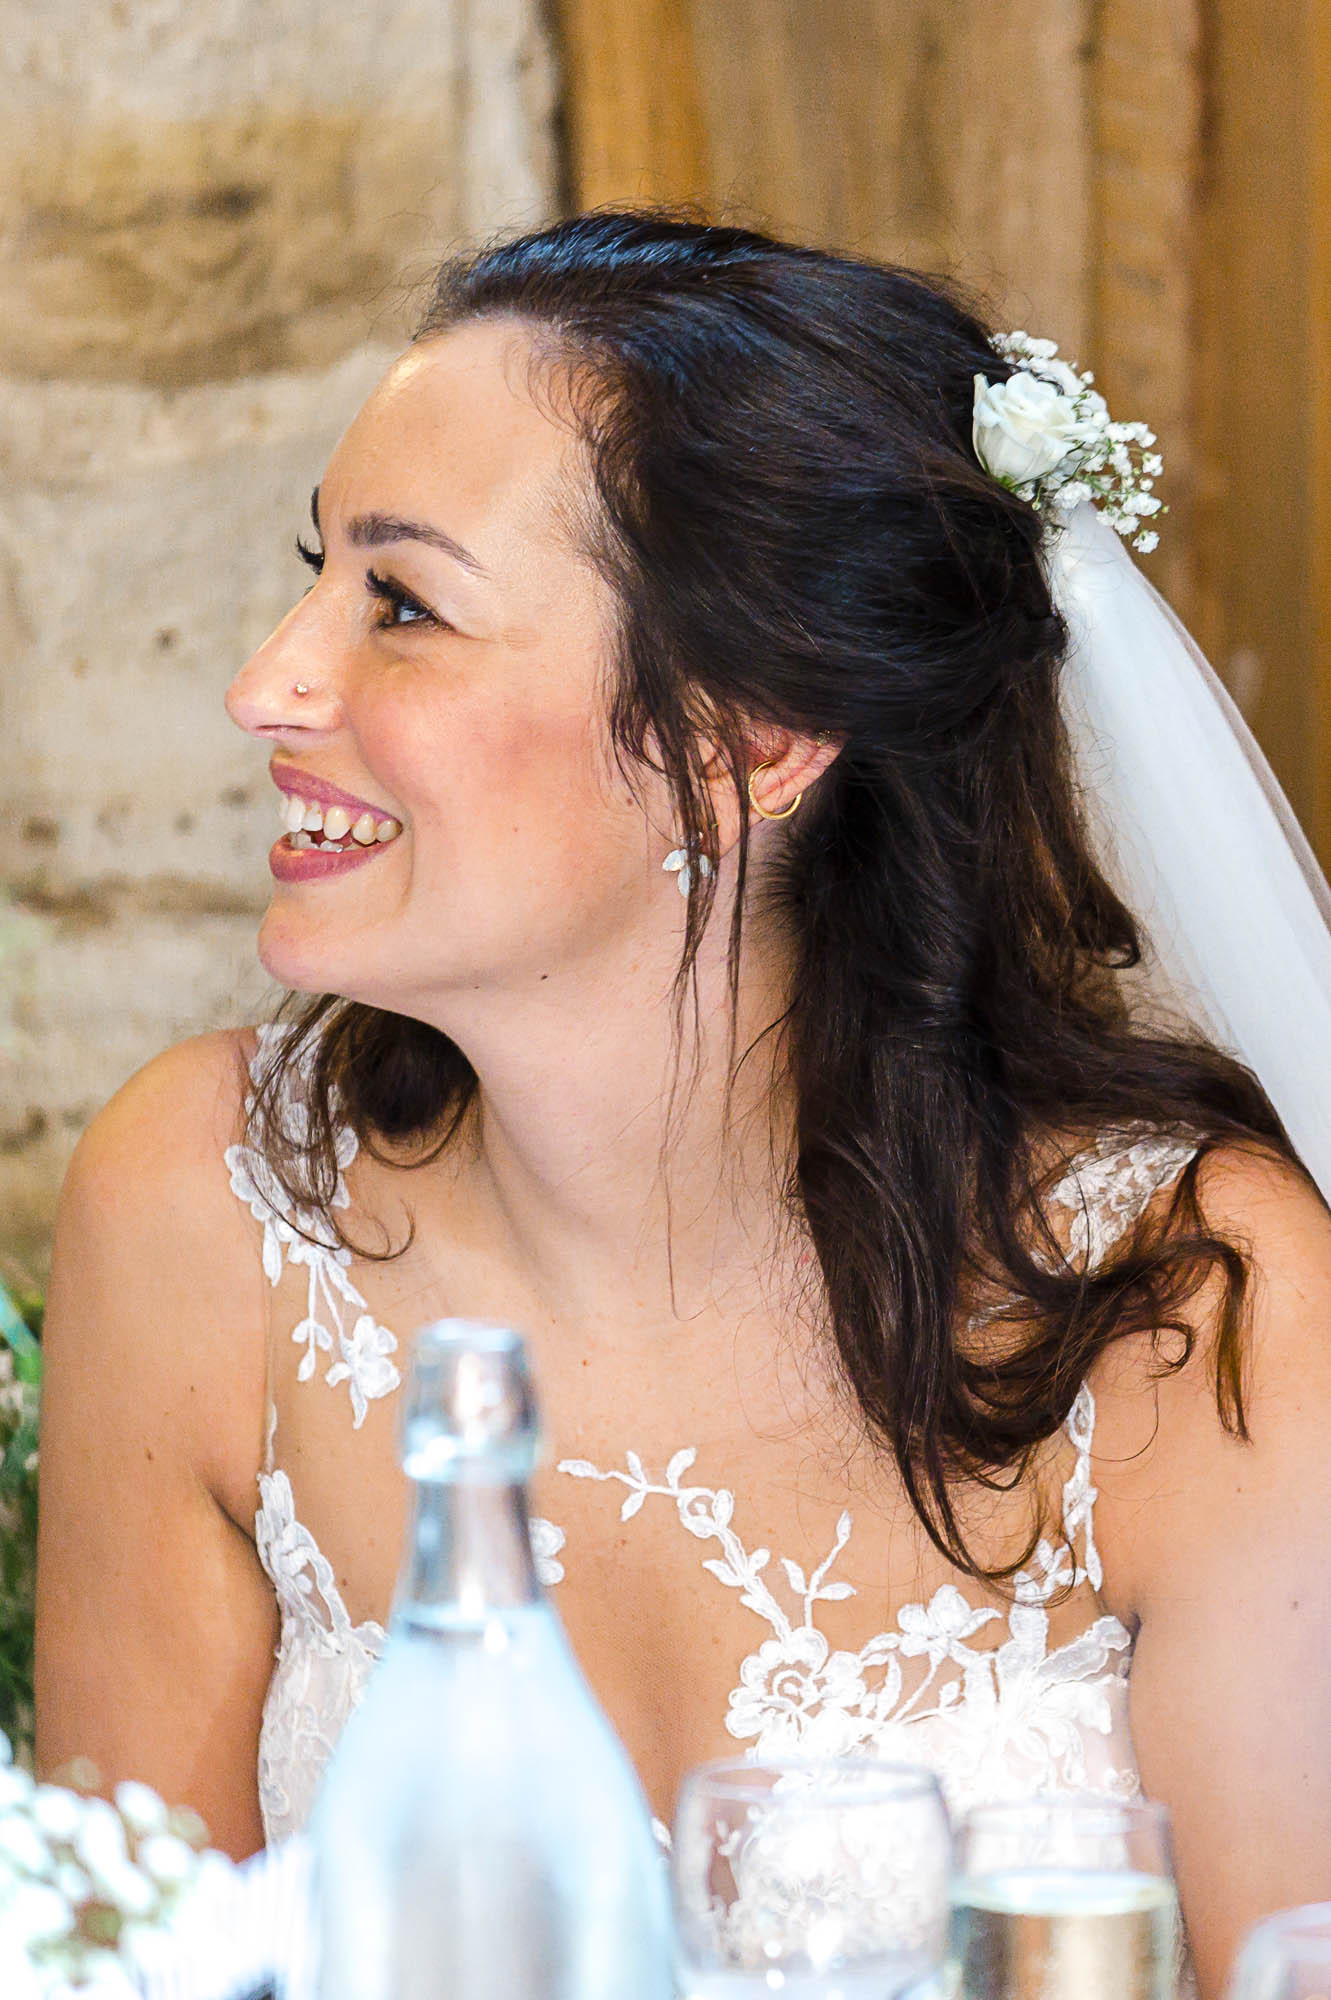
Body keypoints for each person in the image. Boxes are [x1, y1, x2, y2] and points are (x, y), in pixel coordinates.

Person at [33, 212, 1331, 1997]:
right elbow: (124, 1970)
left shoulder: (1187, 1296)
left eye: (401, 602)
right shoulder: (197, 1211)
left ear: (743, 741)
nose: (271, 681)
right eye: (317, 573)